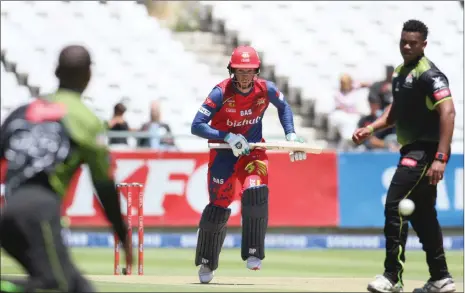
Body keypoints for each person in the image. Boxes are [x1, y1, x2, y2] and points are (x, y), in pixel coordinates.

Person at [0, 45, 132, 292]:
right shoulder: (86, 119)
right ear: (88, 75)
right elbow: (104, 188)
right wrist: (122, 235)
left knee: (79, 287)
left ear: (56, 71)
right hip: (40, 213)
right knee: (55, 284)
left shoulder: (23, 111)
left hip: (9, 214)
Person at [352, 20, 456, 293]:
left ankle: (392, 277)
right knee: (423, 215)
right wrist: (371, 128)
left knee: (394, 205)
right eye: (403, 41)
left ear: (424, 44)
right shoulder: (401, 72)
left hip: (425, 151)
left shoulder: (430, 75)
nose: (407, 46)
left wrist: (441, 158)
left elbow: (448, 113)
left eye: (413, 42)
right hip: (411, 149)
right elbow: (395, 113)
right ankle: (441, 278)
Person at [190, 45, 307, 284]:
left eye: (249, 71)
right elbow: (197, 125)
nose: (244, 76)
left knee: (255, 192)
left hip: (252, 152)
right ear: (231, 70)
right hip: (224, 152)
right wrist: (228, 136)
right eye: (240, 71)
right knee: (219, 205)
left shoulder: (267, 89)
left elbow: (284, 107)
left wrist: (291, 136)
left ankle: (254, 252)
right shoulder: (220, 92)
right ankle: (207, 261)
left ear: (256, 71)